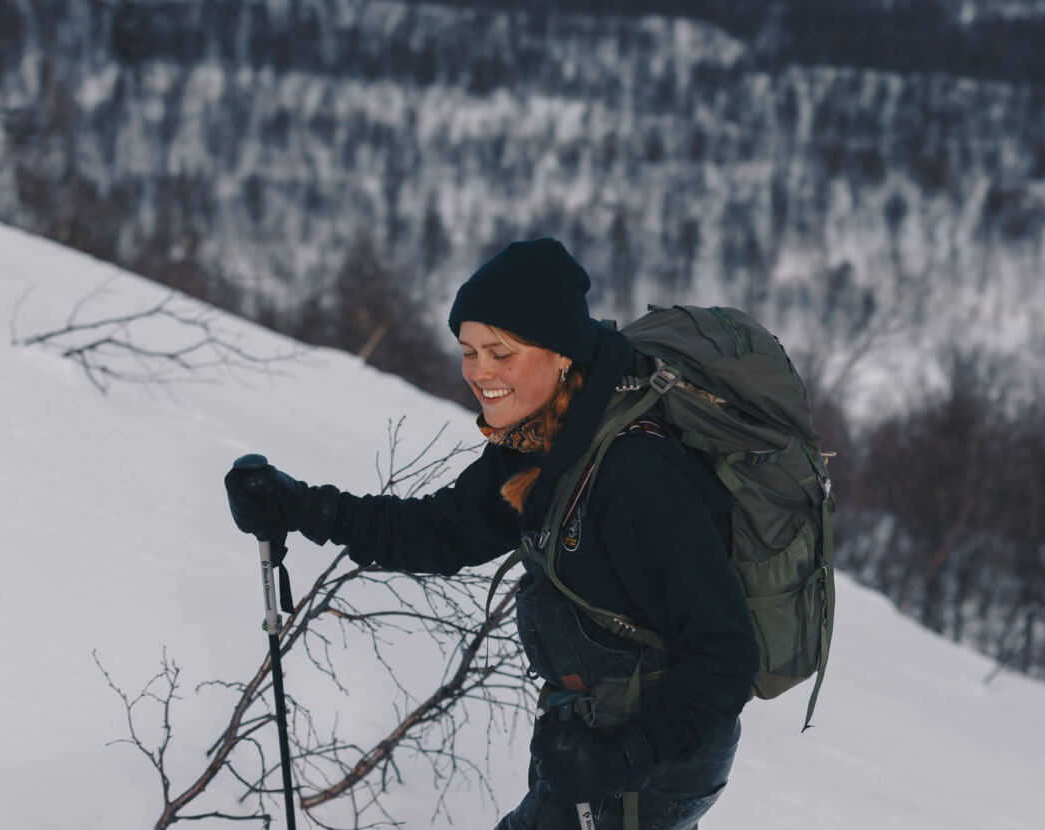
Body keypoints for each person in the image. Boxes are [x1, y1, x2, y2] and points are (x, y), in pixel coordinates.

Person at [225, 238, 758, 829]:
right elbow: (441, 531)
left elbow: (725, 655)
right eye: (468, 351)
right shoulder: (544, 441)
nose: (480, 373)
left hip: (652, 766)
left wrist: (623, 755)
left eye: (501, 353)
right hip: (592, 744)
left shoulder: (636, 475)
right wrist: (302, 508)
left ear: (561, 354)